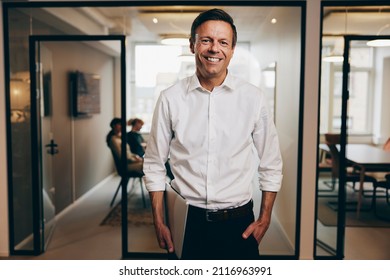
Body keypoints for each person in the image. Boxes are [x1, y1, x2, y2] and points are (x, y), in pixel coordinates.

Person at [143, 8, 283, 260]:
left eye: (223, 42)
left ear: (232, 49)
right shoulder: (170, 99)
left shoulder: (253, 98)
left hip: (239, 224)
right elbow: (154, 164)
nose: (214, 49)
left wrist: (265, 218)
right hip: (187, 221)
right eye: (206, 40)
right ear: (192, 45)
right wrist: (159, 220)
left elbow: (271, 164)